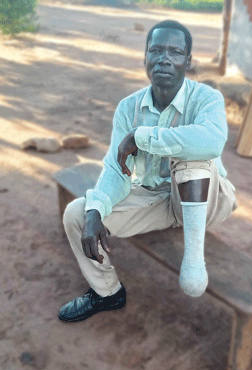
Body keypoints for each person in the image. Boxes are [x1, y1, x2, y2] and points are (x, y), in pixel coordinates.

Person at [59, 20, 238, 323]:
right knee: (77, 213)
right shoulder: (128, 108)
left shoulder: (207, 98)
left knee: (191, 155)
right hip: (155, 200)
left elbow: (212, 141)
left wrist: (142, 137)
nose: (164, 59)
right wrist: (96, 210)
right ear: (145, 58)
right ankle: (108, 293)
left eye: (175, 52)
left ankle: (194, 260)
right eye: (155, 50)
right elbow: (117, 168)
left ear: (188, 61)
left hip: (206, 198)